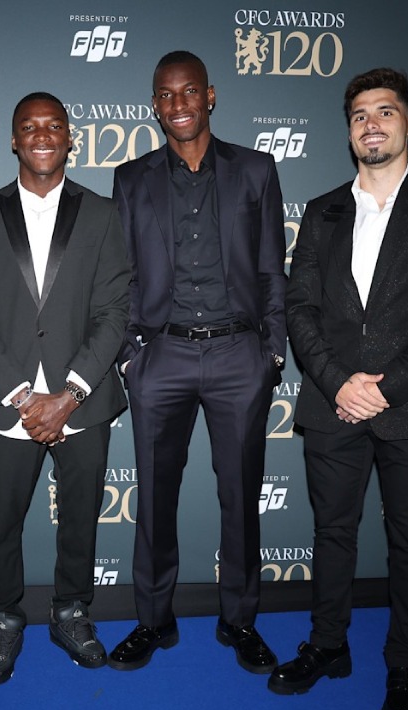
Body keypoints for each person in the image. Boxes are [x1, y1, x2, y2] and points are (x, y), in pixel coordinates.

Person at [268, 67, 408, 710]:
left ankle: (403, 664)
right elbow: (299, 308)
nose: (372, 124)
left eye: (385, 112)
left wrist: (384, 389)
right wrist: (339, 382)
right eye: (360, 114)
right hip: (332, 401)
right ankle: (328, 644)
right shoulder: (323, 210)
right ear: (349, 131)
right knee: (332, 532)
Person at [110, 51, 286, 673]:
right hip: (162, 355)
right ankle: (153, 620)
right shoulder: (131, 179)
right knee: (154, 498)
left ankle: (239, 620)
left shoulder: (255, 170)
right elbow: (123, 276)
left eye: (189, 91)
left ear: (210, 96)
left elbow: (272, 267)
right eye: (166, 94)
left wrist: (271, 350)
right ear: (154, 106)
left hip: (240, 353)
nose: (178, 103)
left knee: (240, 496)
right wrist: (131, 354)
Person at [0, 92, 130, 684]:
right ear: (13, 139)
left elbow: (113, 312)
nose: (41, 135)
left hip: (82, 400)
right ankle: (4, 616)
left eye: (54, 125)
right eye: (29, 126)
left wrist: (69, 393)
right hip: (8, 403)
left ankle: (71, 611)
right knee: (1, 522)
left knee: (80, 518)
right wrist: (21, 395)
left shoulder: (102, 214)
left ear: (69, 138)